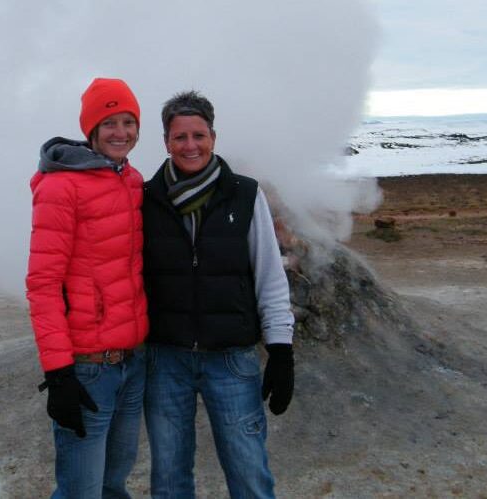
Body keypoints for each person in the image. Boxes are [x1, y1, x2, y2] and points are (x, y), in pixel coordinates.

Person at [142, 90, 295, 499]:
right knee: (169, 479)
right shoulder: (145, 199)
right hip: (165, 358)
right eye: (180, 137)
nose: (190, 145)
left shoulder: (245, 194)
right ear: (166, 142)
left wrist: (281, 349)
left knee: (248, 473)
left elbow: (269, 274)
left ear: (213, 136)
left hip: (230, 359)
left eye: (199, 135)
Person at [26, 77, 149, 498]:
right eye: (110, 122)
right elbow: (42, 283)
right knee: (82, 490)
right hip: (87, 367)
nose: (121, 132)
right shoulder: (62, 187)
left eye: (129, 122)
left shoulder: (131, 181)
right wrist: (58, 374)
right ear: (91, 130)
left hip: (132, 363)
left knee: (114, 484)